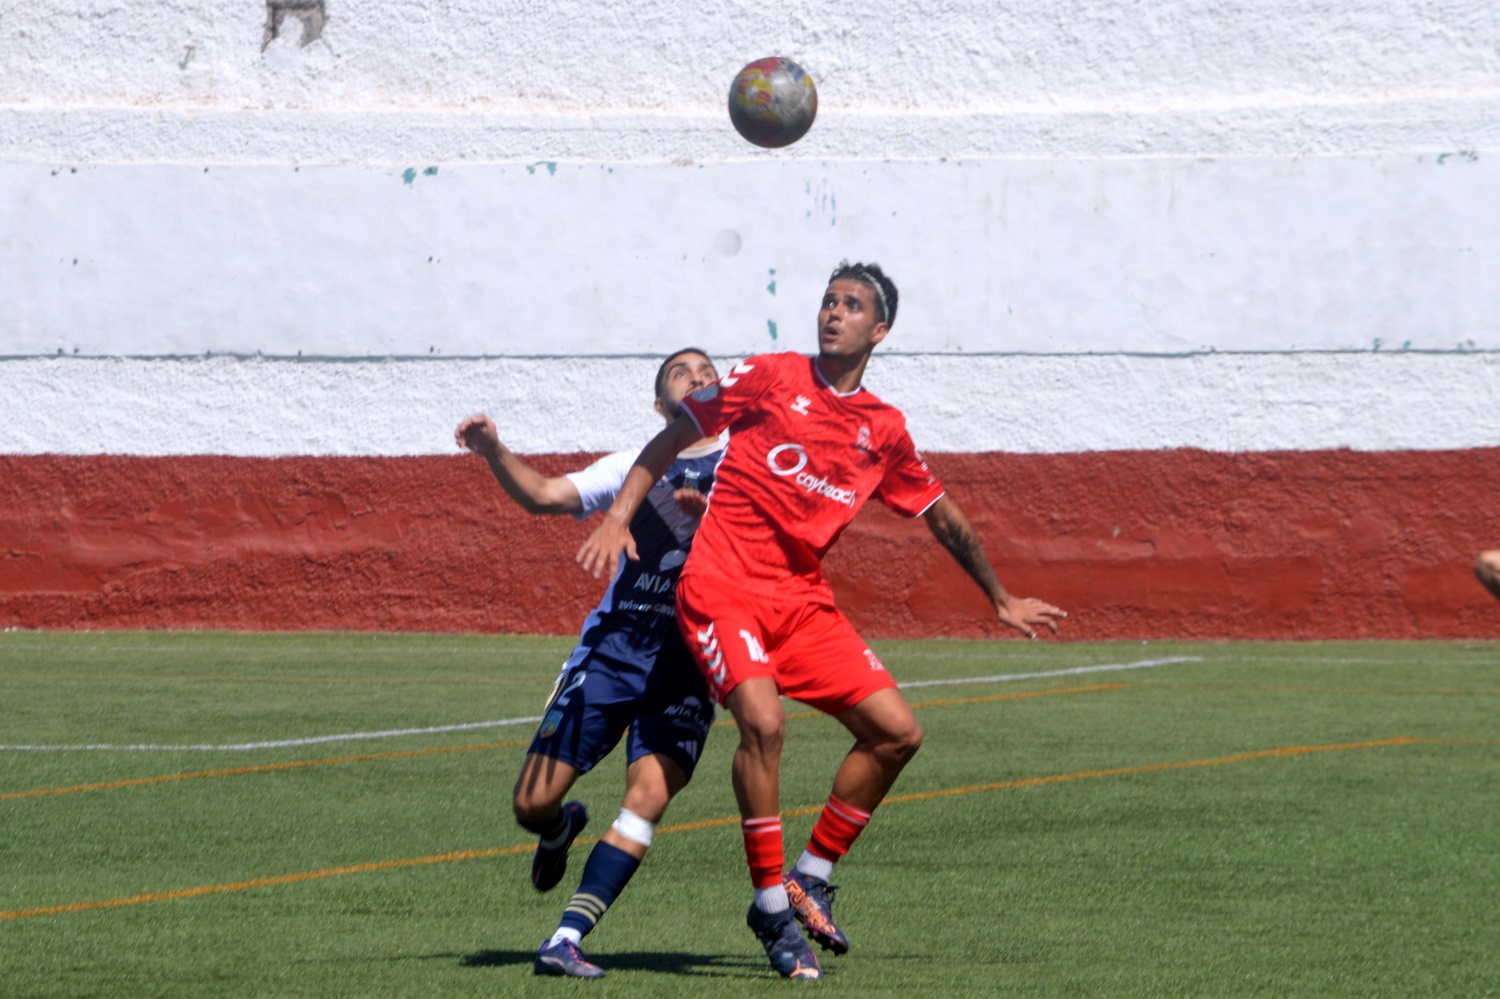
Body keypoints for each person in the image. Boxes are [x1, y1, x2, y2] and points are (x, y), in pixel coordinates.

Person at [576, 262, 1066, 980]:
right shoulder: (769, 375)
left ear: (880, 329)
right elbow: (677, 431)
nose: (834, 312)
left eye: (853, 305)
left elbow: (941, 514)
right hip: (721, 585)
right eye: (829, 300)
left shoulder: (882, 429)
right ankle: (771, 904)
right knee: (764, 725)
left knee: (898, 732)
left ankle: (810, 872)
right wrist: (620, 511)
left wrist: (998, 595)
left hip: (800, 599)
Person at [455, 348, 726, 979]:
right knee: (531, 803)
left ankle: (566, 937)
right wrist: (495, 451)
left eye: (708, 371)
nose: (698, 379)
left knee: (648, 796)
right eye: (681, 374)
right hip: (614, 652)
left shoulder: (744, 464)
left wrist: (712, 522)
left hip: (687, 661)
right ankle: (557, 829)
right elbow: (547, 495)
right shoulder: (635, 465)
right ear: (660, 406)